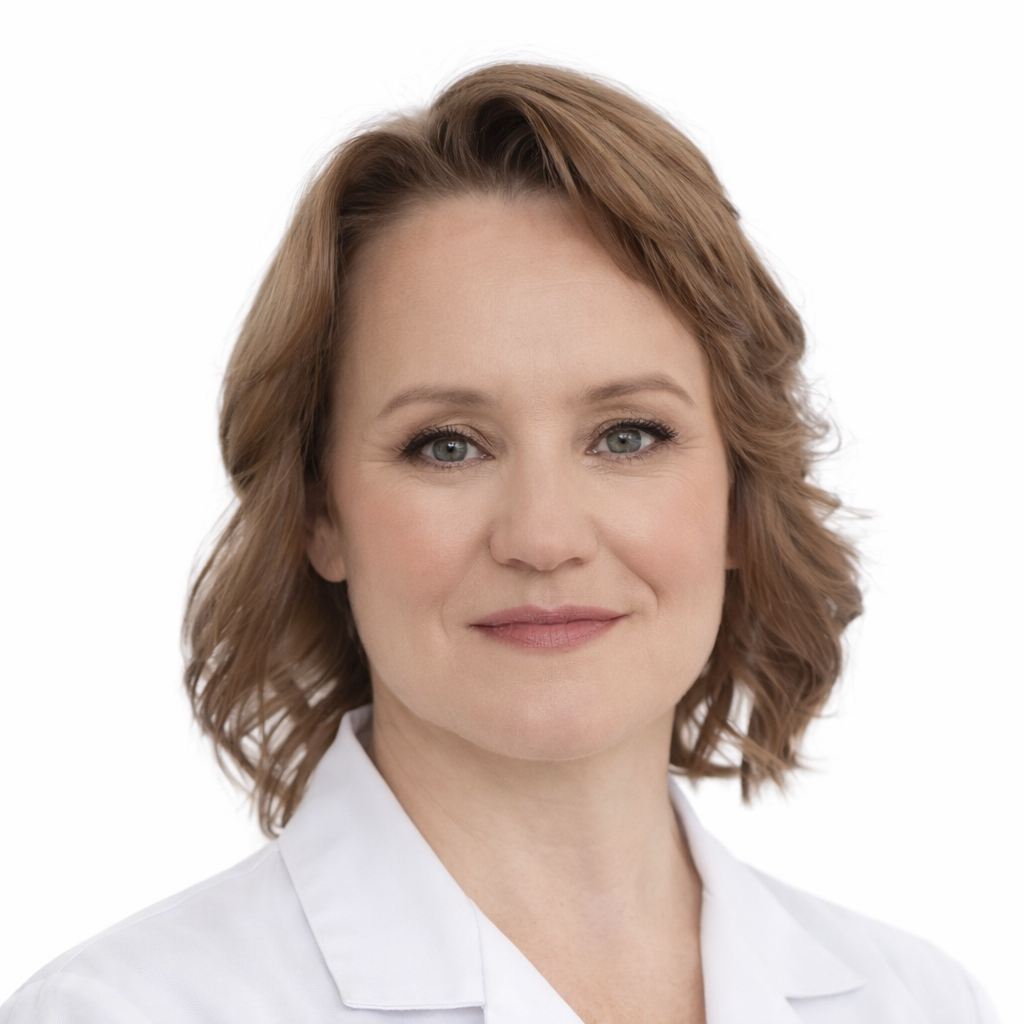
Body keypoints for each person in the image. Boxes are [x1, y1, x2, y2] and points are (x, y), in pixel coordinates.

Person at [0, 62, 1000, 1024]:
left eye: (627, 436)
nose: (543, 537)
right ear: (318, 513)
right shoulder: (119, 1013)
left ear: (741, 493)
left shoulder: (920, 1005)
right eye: (447, 445)